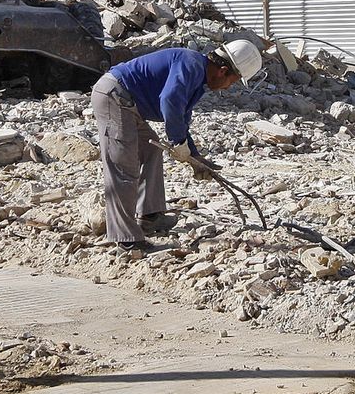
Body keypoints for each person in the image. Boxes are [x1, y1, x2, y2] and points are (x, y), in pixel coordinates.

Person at [90, 40, 263, 252]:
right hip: (114, 96)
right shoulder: (191, 64)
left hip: (127, 102)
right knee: (123, 165)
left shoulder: (198, 77)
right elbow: (169, 100)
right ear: (223, 71)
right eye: (233, 82)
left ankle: (149, 215)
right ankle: (127, 240)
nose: (228, 88)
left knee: (151, 149)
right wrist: (177, 142)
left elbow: (180, 118)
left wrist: (195, 157)